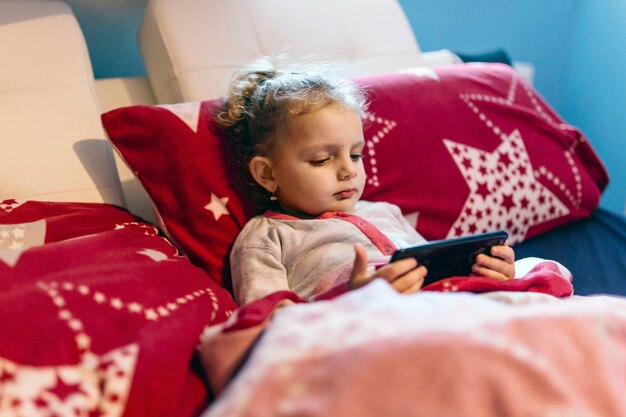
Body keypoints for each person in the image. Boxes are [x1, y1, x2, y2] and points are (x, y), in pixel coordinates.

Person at [215, 58, 516, 306]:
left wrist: (484, 272)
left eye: (356, 154)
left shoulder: (385, 212)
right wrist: (351, 298)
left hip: (440, 309)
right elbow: (267, 322)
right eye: (321, 159)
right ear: (268, 174)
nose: (348, 170)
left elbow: (436, 270)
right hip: (360, 333)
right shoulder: (266, 238)